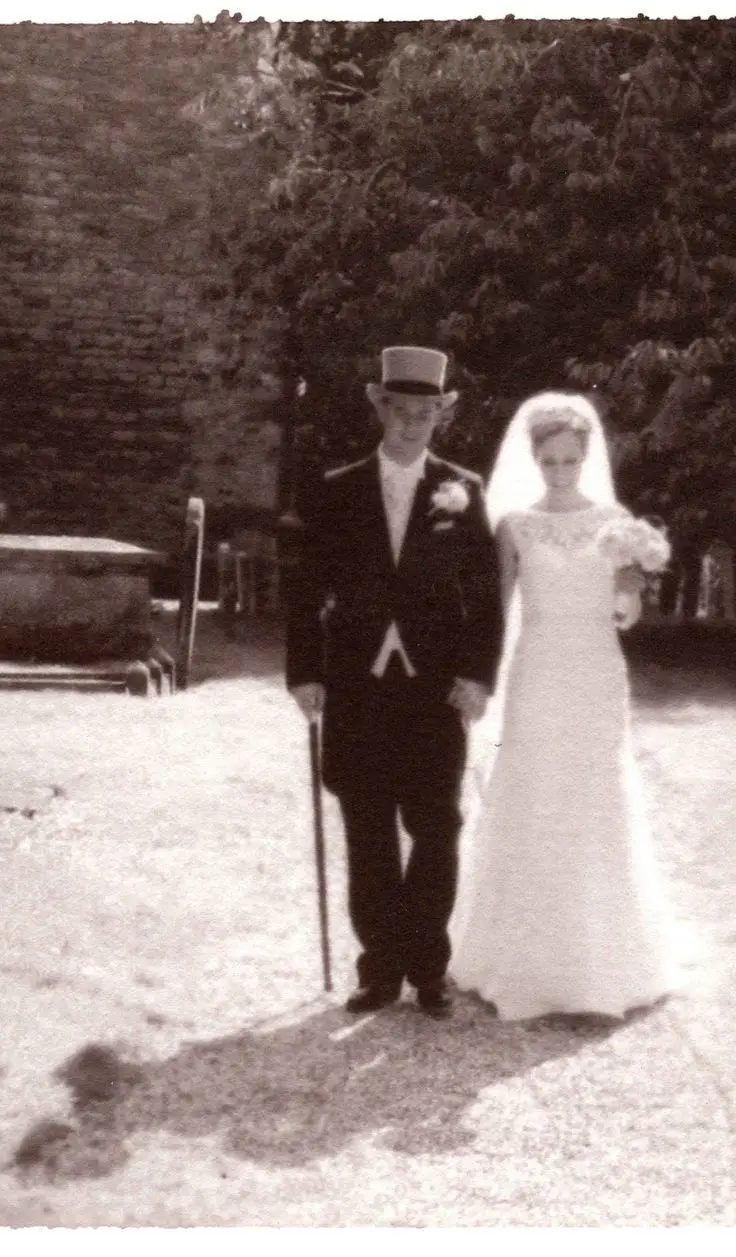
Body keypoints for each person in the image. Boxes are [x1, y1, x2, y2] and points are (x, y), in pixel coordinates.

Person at [285, 346, 505, 1018]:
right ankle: (380, 967)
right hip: (356, 685)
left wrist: (477, 675)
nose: (413, 423)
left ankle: (427, 967)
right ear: (380, 408)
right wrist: (304, 672)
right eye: (401, 410)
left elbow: (484, 593)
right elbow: (304, 588)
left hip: (435, 688)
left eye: (427, 412)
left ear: (443, 414)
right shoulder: (333, 489)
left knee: (436, 825)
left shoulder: (462, 489)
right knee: (369, 829)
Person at [448, 391, 682, 1021]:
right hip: (537, 671)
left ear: (585, 457)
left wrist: (633, 583)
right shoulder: (515, 526)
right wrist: (476, 676)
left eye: (568, 460)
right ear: (534, 460)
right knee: (535, 792)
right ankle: (521, 958)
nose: (558, 471)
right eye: (548, 461)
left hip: (597, 673)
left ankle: (601, 963)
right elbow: (496, 612)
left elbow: (625, 614)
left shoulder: (615, 521)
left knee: (594, 795)